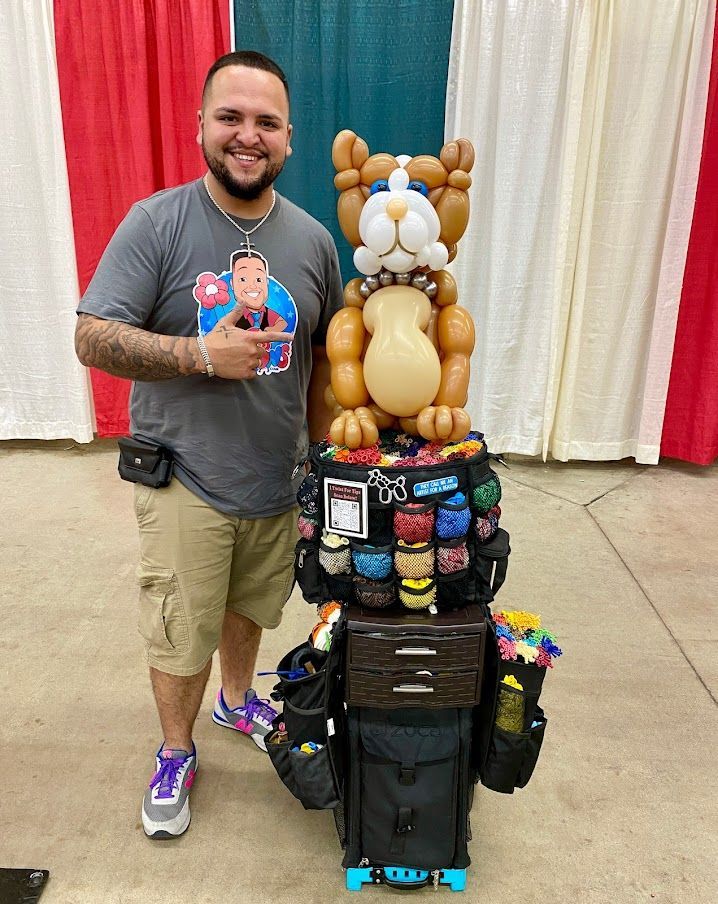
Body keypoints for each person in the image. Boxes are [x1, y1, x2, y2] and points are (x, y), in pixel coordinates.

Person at [74, 50, 343, 840]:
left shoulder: (313, 242)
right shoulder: (156, 223)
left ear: (289, 139)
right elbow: (92, 336)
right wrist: (198, 354)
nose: (246, 136)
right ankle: (176, 748)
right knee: (179, 625)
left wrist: (325, 456)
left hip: (276, 476)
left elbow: (326, 359)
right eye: (230, 117)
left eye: (265, 122)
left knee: (247, 605)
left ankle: (236, 699)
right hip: (185, 475)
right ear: (201, 127)